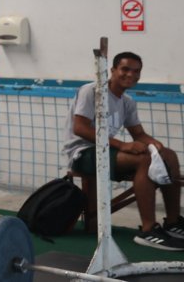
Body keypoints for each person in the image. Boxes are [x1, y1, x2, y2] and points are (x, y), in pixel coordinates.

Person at [63, 51, 184, 251]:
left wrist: (156, 146)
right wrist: (122, 145)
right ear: (112, 70)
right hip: (82, 153)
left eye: (136, 71)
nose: (131, 75)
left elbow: (139, 134)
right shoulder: (91, 91)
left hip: (107, 153)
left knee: (169, 155)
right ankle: (148, 230)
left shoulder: (127, 102)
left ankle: (172, 223)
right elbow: (80, 128)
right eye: (125, 69)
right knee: (144, 160)